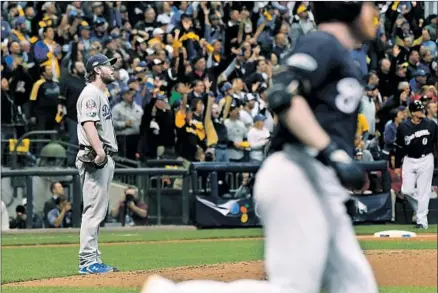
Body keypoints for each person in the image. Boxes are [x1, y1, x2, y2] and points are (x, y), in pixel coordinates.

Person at [141, 2, 379, 293]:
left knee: (356, 286)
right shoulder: (322, 42)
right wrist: (333, 151)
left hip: (318, 179)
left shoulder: (341, 55)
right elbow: (282, 95)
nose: (374, 12)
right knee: (293, 288)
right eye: (369, 4)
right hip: (297, 172)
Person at [76, 54, 119, 274]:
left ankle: (93, 258)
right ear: (96, 69)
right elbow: (88, 123)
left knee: (97, 211)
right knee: (93, 211)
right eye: (107, 65)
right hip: (95, 156)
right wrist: (100, 151)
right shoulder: (90, 94)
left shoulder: (100, 94)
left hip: (103, 156)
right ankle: (87, 262)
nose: (112, 68)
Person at [394, 100, 438, 229]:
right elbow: (400, 147)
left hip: (426, 159)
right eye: (419, 110)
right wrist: (397, 165)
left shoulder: (431, 124)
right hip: (409, 160)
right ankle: (420, 208)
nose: (422, 111)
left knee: (423, 191)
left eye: (422, 109)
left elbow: (436, 142)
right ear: (412, 112)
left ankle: (422, 221)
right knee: (406, 190)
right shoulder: (403, 127)